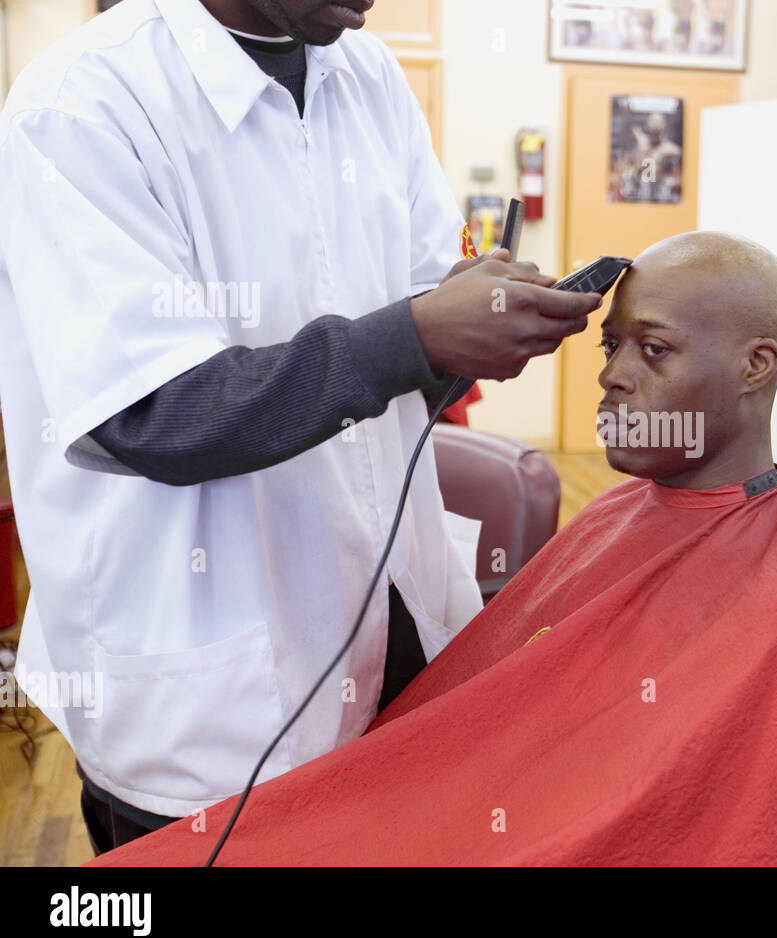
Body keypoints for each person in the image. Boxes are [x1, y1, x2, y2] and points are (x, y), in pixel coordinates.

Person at [94, 232, 777, 866]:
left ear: (755, 366)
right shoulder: (623, 516)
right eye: (610, 345)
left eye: (653, 350)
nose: (613, 374)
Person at [0, 0, 603, 853]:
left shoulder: (369, 74)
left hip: (395, 621)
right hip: (209, 689)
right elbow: (155, 413)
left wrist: (478, 313)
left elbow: (422, 297)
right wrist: (422, 332)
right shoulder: (80, 104)